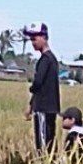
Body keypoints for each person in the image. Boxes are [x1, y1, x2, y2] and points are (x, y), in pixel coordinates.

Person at [23, 23, 60, 156]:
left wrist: (31, 89)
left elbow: (38, 83)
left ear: (44, 37)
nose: (33, 42)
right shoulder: (51, 59)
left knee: (43, 145)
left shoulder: (46, 59)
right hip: (48, 107)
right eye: (31, 39)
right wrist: (31, 105)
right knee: (48, 143)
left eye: (35, 38)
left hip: (44, 108)